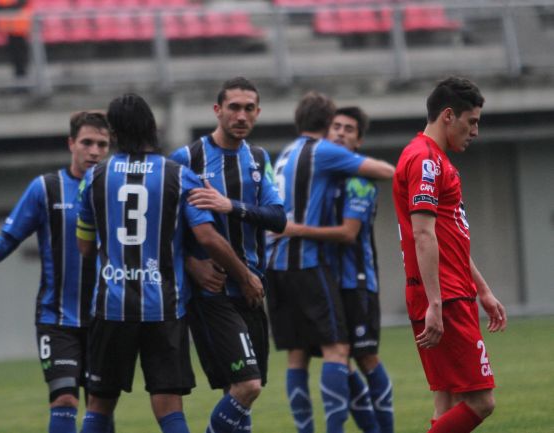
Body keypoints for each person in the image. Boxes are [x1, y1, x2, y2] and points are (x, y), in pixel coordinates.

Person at [74, 93, 264, 433]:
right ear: (152, 127)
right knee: (168, 405)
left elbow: (85, 246)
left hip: (111, 305)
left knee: (99, 403)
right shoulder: (179, 175)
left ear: (114, 133)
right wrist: (244, 275)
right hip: (163, 307)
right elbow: (207, 238)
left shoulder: (94, 178)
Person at [0, 111, 110, 433]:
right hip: (56, 318)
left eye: (102, 144)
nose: (94, 151)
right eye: (87, 142)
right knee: (64, 400)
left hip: (105, 317)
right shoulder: (45, 188)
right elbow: (11, 234)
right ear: (71, 143)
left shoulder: (116, 188)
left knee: (101, 406)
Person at [265, 91, 395, 433]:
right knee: (335, 354)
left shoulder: (292, 156)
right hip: (314, 271)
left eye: (348, 129)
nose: (339, 134)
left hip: (354, 279)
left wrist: (292, 228)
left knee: (353, 358)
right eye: (336, 126)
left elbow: (350, 232)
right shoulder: (323, 159)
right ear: (326, 126)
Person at [169, 77, 286, 433]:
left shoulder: (259, 158)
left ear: (258, 113)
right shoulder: (187, 159)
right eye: (234, 107)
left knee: (242, 394)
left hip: (251, 288)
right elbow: (164, 229)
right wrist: (191, 263)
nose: (241, 115)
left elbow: (278, 217)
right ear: (217, 111)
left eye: (249, 108)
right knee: (246, 386)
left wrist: (229, 205)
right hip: (212, 294)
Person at [392, 76, 506, 433]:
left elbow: (448, 236)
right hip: (445, 295)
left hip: (447, 290)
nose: (475, 131)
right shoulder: (425, 160)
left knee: (447, 400)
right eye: (471, 122)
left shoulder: (428, 157)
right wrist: (436, 303)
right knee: (481, 401)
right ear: (447, 116)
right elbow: (424, 236)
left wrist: (484, 290)